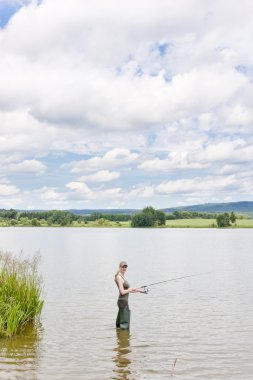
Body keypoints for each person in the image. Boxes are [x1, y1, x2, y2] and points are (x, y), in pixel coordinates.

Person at [115, 261, 139, 330]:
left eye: (125, 267)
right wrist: (131, 288)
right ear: (119, 267)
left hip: (123, 301)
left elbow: (127, 290)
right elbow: (122, 292)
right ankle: (123, 338)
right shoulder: (119, 277)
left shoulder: (122, 276)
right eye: (123, 267)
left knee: (120, 324)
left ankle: (120, 338)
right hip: (123, 301)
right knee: (124, 326)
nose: (124, 268)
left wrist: (139, 290)